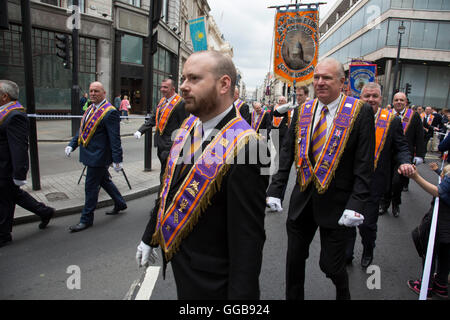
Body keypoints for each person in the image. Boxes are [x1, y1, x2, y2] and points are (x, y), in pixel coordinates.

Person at [136, 50, 269, 299]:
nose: (184, 87)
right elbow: (169, 190)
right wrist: (149, 237)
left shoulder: (250, 147)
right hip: (182, 267)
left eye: (194, 79)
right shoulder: (188, 127)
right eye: (184, 78)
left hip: (212, 284)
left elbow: (247, 242)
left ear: (224, 84)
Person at [266, 58, 375, 300]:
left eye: (327, 78)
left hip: (338, 205)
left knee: (331, 266)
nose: (320, 82)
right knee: (293, 262)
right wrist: (276, 189)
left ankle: (343, 295)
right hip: (302, 200)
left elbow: (364, 163)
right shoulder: (302, 112)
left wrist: (357, 204)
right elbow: (287, 153)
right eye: (317, 77)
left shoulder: (360, 112)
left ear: (342, 83)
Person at [345, 82, 412, 268]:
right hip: (349, 180)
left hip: (373, 183)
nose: (371, 100)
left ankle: (368, 250)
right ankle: (347, 253)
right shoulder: (350, 117)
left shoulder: (391, 120)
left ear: (381, 99)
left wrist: (406, 161)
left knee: (367, 225)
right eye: (367, 96)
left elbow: (401, 147)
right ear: (361, 97)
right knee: (347, 220)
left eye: (375, 96)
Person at [65, 81, 127, 233]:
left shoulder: (110, 112)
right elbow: (82, 130)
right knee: (104, 181)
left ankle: (86, 219)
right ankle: (120, 203)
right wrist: (72, 144)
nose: (93, 93)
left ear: (104, 93)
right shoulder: (90, 108)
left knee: (90, 187)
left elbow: (115, 138)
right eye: (91, 91)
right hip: (90, 154)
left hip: (99, 157)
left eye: (96, 91)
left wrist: (117, 160)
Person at [0, 80, 54, 247]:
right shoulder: (5, 112)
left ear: (4, 96)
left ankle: (3, 234)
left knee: (4, 200)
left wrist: (19, 173)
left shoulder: (15, 115)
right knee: (13, 195)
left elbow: (19, 148)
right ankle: (45, 211)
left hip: (5, 168)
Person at [406, 164, 450, 299]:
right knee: (446, 256)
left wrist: (416, 177)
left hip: (441, 222)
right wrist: (439, 171)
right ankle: (441, 286)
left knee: (430, 253)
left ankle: (426, 285)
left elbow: (439, 191)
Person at [133, 78, 189, 182]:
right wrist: (141, 130)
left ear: (173, 88)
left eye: (165, 87)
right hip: (160, 143)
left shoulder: (181, 103)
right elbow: (154, 118)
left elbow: (185, 125)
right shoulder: (162, 101)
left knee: (165, 171)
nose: (162, 89)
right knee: (165, 171)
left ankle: (162, 196)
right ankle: (164, 194)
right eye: (161, 87)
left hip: (172, 145)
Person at [379, 92, 425, 216]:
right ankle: (384, 204)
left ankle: (396, 204)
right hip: (387, 155)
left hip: (403, 155)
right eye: (396, 100)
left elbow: (419, 136)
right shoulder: (385, 115)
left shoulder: (413, 116)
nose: (399, 102)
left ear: (406, 102)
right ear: (393, 102)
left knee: (397, 182)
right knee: (386, 182)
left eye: (401, 100)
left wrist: (420, 155)